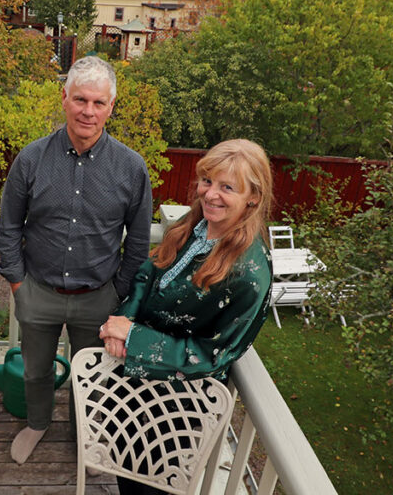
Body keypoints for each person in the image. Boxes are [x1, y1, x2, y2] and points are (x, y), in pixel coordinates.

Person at [0, 55, 153, 465]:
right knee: (35, 371)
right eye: (80, 99)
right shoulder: (31, 159)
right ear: (63, 98)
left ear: (111, 107)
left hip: (98, 297)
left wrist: (117, 293)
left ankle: (82, 431)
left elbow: (137, 243)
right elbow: (10, 226)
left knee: (94, 378)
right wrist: (18, 285)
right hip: (39, 291)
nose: (88, 111)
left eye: (98, 103)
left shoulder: (132, 169)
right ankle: (37, 422)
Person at [98, 139, 274, 494]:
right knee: (124, 460)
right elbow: (150, 270)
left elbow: (212, 355)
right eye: (207, 181)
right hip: (137, 381)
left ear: (252, 197)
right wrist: (123, 325)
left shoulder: (250, 275)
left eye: (228, 187)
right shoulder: (195, 223)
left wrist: (133, 337)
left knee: (153, 481)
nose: (210, 195)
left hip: (177, 404)